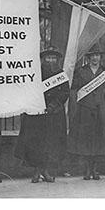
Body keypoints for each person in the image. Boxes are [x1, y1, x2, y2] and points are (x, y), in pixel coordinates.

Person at [15, 45, 69, 183]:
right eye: (48, 57)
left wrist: (53, 105)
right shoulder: (35, 73)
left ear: (57, 60)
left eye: (53, 58)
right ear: (43, 59)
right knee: (36, 144)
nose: (50, 60)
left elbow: (65, 92)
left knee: (51, 144)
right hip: (37, 114)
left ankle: (43, 171)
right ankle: (38, 171)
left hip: (54, 113)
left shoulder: (61, 74)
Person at [68, 46, 105, 180]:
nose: (95, 58)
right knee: (86, 140)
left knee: (99, 140)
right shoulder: (80, 72)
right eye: (92, 55)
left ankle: (95, 170)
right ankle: (87, 170)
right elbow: (74, 90)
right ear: (88, 58)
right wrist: (74, 109)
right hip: (84, 109)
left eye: (97, 55)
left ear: (100, 57)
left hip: (100, 109)